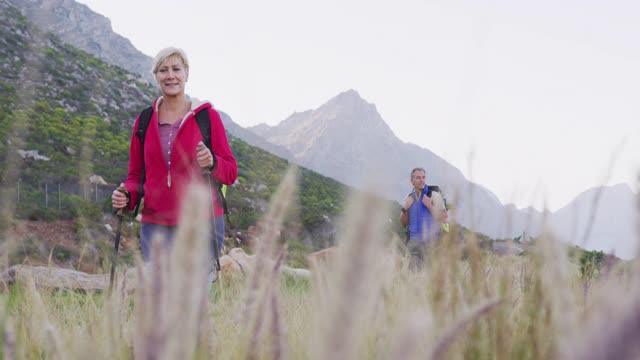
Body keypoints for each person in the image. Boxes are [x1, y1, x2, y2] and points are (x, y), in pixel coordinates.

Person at [111, 47, 237, 277]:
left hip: (202, 225)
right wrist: (126, 197)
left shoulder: (207, 117)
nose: (170, 75)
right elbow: (135, 176)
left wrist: (213, 163)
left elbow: (230, 172)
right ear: (156, 77)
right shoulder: (144, 120)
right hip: (156, 227)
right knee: (160, 303)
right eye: (163, 70)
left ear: (186, 74)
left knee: (192, 304)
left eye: (176, 69)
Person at [399, 167, 448, 269]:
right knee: (413, 279)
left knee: (429, 279)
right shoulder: (410, 197)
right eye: (418, 178)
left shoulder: (433, 194)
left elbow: (444, 218)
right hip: (414, 246)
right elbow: (404, 224)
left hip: (431, 245)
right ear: (412, 181)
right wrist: (405, 208)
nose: (422, 180)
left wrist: (429, 206)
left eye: (423, 177)